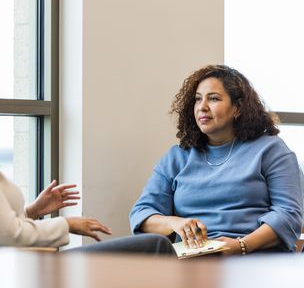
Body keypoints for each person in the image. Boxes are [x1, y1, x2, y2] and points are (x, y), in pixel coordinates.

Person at [0, 59, 174, 255]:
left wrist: (33, 211)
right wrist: (67, 223)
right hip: (22, 272)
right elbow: (10, 237)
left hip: (13, 267)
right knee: (157, 246)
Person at [129, 64, 304, 255]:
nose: (202, 107)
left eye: (213, 98)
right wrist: (174, 222)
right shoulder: (177, 157)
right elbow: (141, 214)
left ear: (237, 107)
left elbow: (289, 214)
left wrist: (241, 246)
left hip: (256, 258)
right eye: (197, 99)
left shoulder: (271, 150)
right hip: (193, 263)